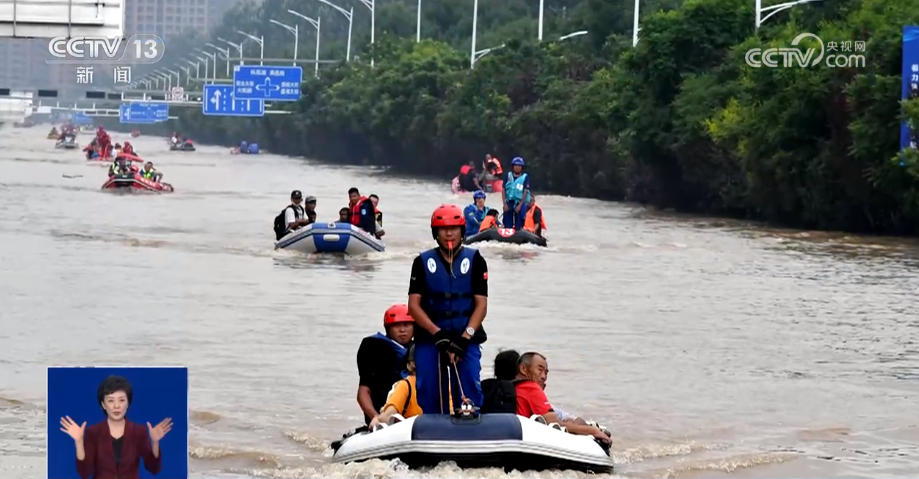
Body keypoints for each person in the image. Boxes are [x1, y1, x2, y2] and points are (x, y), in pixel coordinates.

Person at [408, 204, 489, 414]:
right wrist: (438, 334)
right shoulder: (422, 262)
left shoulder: (476, 261)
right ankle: (434, 426)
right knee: (429, 389)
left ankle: (471, 427)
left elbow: (481, 305)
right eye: (443, 229)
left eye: (454, 228)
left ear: (463, 231)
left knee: (469, 383)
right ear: (436, 233)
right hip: (431, 338)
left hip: (466, 336)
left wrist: (465, 337)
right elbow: (414, 306)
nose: (449, 233)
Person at [59, 375, 173, 479]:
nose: (116, 406)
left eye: (122, 400)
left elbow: (153, 468)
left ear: (128, 403)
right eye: (111, 400)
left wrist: (155, 442)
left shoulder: (139, 431)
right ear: (103, 404)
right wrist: (79, 442)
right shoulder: (93, 432)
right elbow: (85, 473)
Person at [514, 352, 611, 444]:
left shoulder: (512, 387)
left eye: (546, 373)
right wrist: (593, 431)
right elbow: (553, 424)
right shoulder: (531, 387)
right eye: (540, 370)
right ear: (523, 369)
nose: (543, 376)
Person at [357, 304, 414, 425]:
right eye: (397, 325)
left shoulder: (421, 349)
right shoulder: (373, 348)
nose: (402, 330)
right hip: (383, 411)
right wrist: (375, 417)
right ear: (388, 328)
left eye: (407, 325)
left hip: (413, 412)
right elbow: (363, 391)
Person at [368, 344, 423, 428]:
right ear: (413, 364)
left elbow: (384, 418)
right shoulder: (405, 386)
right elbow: (385, 417)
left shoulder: (445, 386)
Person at [502, 157, 531, 230]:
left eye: (519, 166)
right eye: (516, 165)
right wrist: (504, 204)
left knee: (519, 225)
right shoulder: (508, 175)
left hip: (519, 203)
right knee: (507, 224)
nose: (517, 167)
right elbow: (503, 189)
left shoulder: (525, 177)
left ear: (522, 167)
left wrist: (520, 205)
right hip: (509, 202)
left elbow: (525, 191)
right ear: (513, 166)